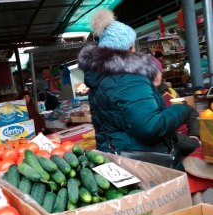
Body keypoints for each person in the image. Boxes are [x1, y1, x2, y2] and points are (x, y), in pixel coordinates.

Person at [78, 9, 191, 171]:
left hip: (118, 160)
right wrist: (181, 109)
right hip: (147, 163)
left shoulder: (99, 78)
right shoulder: (129, 79)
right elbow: (150, 128)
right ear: (128, 49)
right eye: (133, 46)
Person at [151, 57, 200, 156]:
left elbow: (191, 112)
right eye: (149, 73)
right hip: (173, 149)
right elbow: (160, 131)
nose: (154, 77)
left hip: (188, 140)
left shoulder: (169, 92)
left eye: (156, 72)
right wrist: (192, 144)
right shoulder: (144, 99)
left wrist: (194, 135)